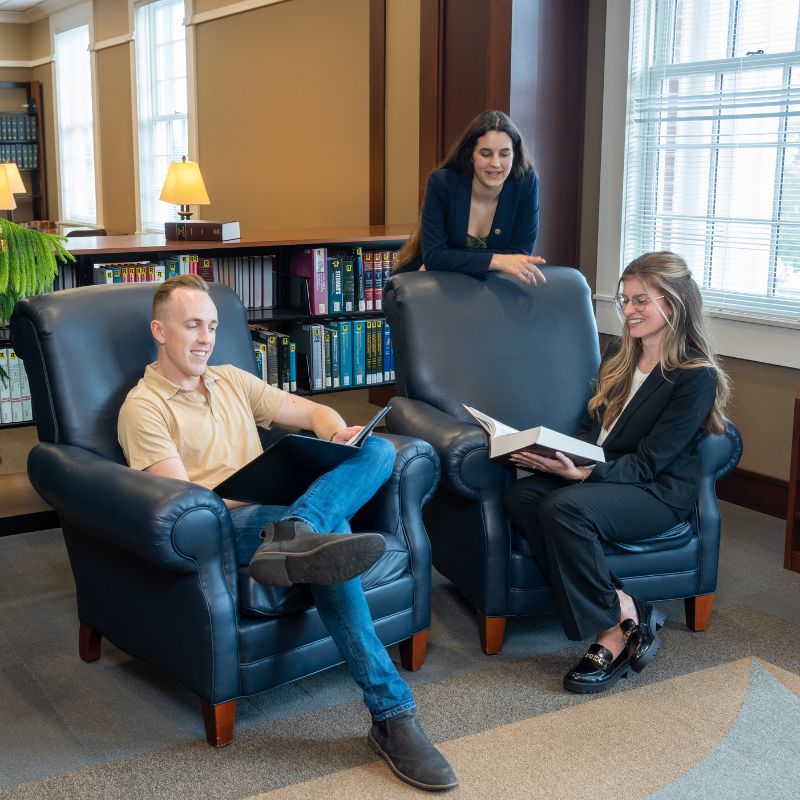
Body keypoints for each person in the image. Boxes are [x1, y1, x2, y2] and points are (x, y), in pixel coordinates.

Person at [117, 274, 457, 792]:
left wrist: (333, 431)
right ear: (159, 331)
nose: (205, 337)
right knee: (336, 531)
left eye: (211, 326)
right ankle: (393, 714)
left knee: (380, 449)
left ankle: (299, 529)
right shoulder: (143, 407)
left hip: (283, 510)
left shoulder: (231, 378)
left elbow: (310, 410)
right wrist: (254, 492)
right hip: (225, 526)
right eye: (192, 325)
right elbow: (183, 505)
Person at [504, 251, 730, 693]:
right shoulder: (620, 353)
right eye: (624, 301)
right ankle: (627, 607)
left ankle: (610, 633)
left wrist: (582, 476)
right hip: (606, 472)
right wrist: (560, 455)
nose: (628, 311)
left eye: (640, 301)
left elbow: (650, 462)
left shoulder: (695, 377)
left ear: (675, 303)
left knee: (564, 509)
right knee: (522, 496)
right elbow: (595, 430)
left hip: (656, 492)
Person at [393, 109, 546, 285]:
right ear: (471, 155)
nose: (495, 163)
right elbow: (434, 257)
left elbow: (521, 255)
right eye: (486, 153)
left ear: (515, 155)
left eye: (504, 154)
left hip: (494, 286)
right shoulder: (442, 183)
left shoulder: (526, 183)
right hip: (432, 283)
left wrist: (450, 258)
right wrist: (496, 260)